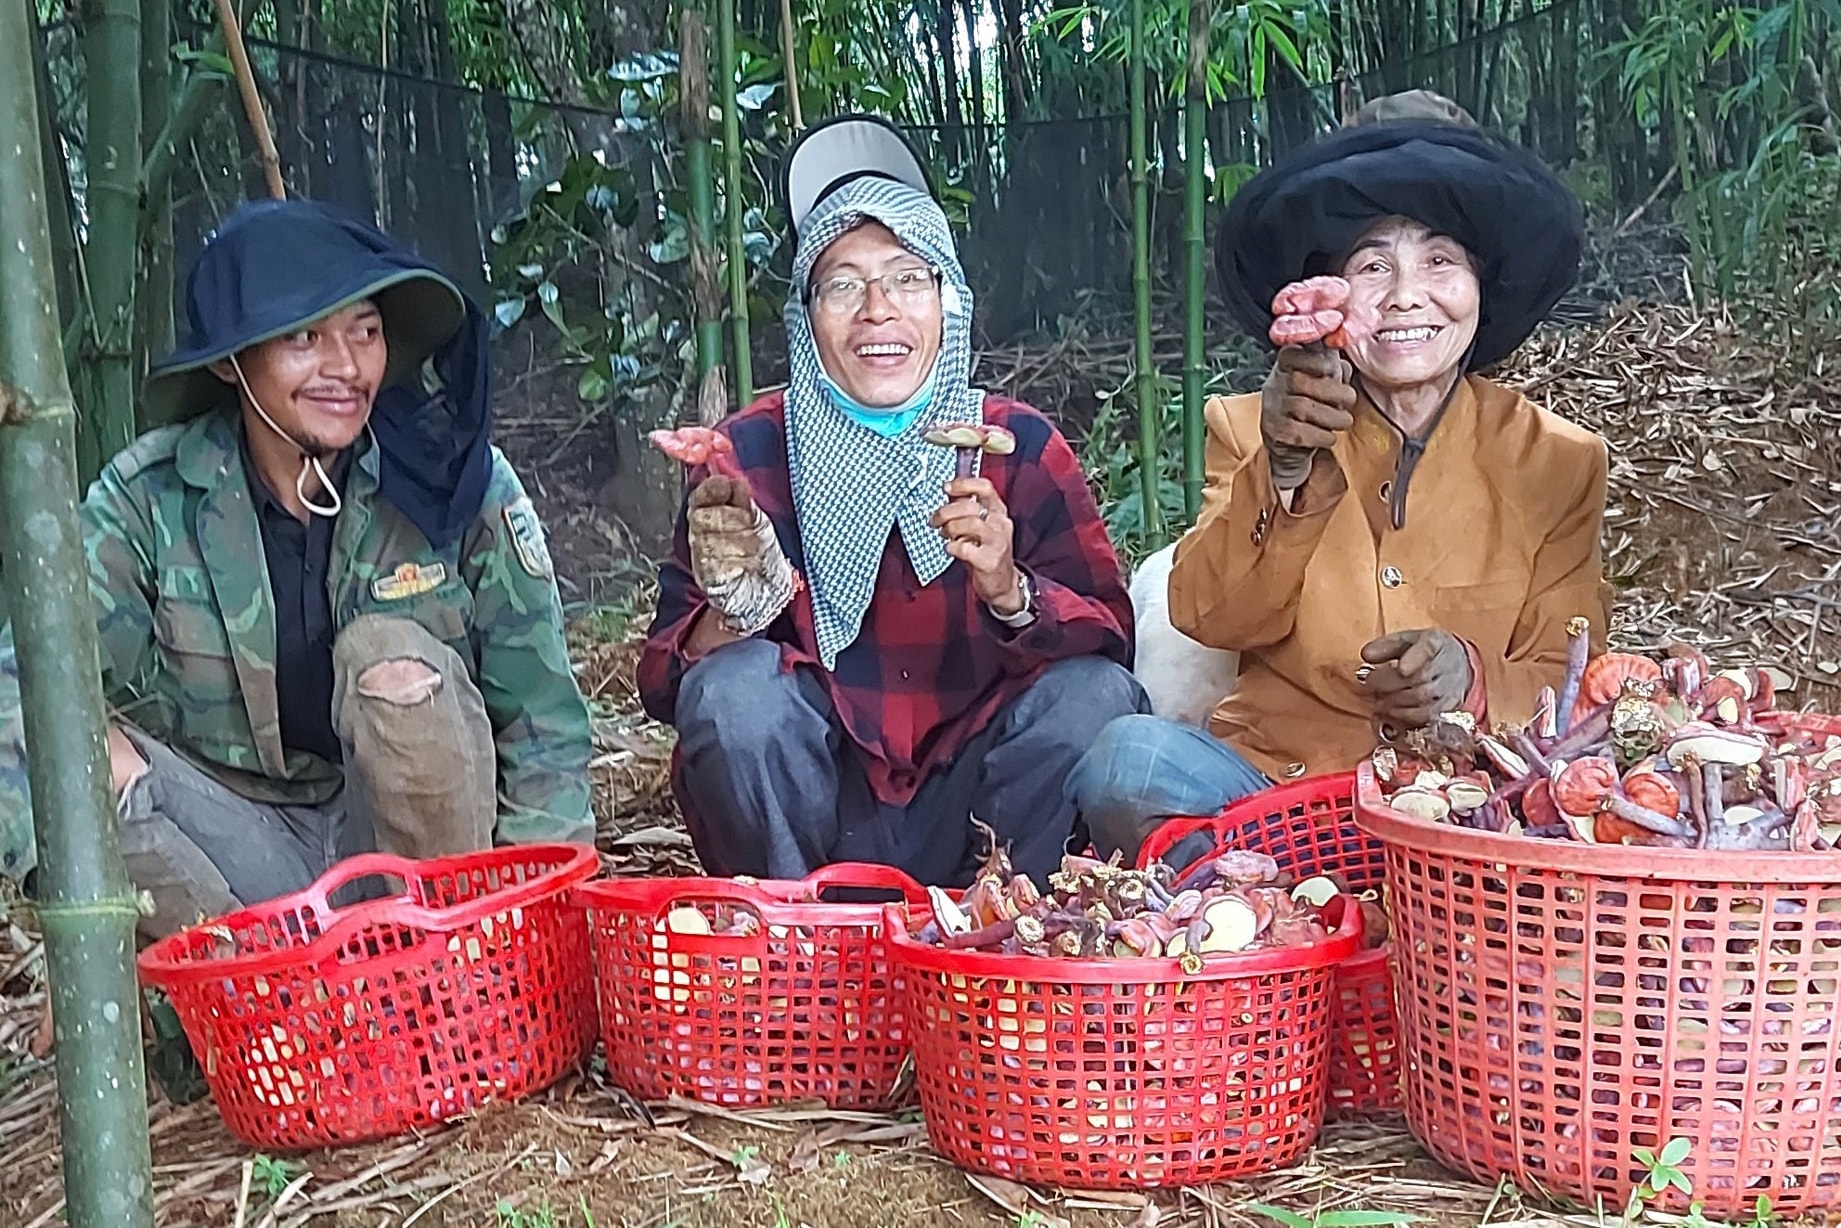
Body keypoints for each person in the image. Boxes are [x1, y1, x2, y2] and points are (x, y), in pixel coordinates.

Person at [0, 199, 595, 939]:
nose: (345, 368)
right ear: (230, 361)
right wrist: (70, 922)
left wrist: (537, 921)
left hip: (420, 870)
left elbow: (541, 722)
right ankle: (254, 1001)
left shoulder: (452, 479)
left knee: (391, 663)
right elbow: (26, 686)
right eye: (305, 337)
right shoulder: (150, 497)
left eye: (366, 333)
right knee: (82, 750)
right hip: (239, 859)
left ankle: (433, 970)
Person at [1071, 92, 1612, 867]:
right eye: (1370, 265)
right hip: (1277, 801)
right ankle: (1275, 919)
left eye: (1438, 260)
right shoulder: (1249, 425)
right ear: (1328, 297)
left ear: (1480, 285)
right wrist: (1283, 474)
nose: (1403, 296)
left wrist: (1474, 681)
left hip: (1474, 811)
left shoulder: (1556, 460)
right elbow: (1209, 616)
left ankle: (1322, 914)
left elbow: (1573, 682)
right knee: (1129, 762)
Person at [639, 115, 1147, 887]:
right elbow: (668, 684)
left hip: (981, 812)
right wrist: (734, 606)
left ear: (948, 302)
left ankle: (1005, 947)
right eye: (842, 284)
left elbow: (1112, 648)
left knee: (1090, 698)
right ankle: (797, 964)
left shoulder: (1015, 445)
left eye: (909, 278)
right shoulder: (745, 454)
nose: (877, 308)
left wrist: (1011, 592)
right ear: (807, 320)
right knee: (736, 696)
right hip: (814, 816)